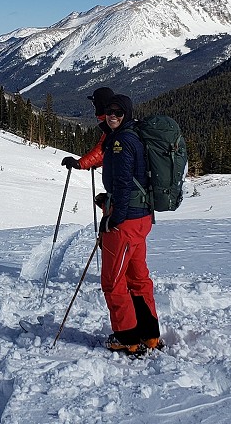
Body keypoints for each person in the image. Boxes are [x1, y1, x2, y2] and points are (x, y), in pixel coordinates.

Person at [96, 93, 161, 354]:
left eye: (118, 113)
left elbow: (123, 183)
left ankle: (127, 337)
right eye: (109, 112)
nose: (112, 116)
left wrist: (113, 218)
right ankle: (149, 334)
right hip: (142, 218)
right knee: (138, 278)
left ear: (127, 114)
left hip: (126, 222)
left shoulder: (122, 142)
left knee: (113, 281)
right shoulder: (133, 135)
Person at [60, 86, 114, 171]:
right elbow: (109, 154)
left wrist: (80, 163)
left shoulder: (113, 126)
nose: (93, 106)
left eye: (94, 103)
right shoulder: (113, 122)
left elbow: (102, 151)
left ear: (101, 105)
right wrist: (94, 163)